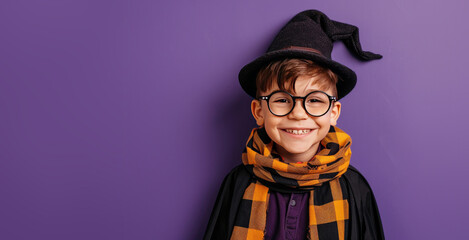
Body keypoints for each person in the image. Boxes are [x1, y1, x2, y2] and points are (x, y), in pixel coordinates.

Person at [204, 9, 385, 240]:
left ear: (333, 112)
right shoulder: (237, 184)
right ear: (259, 112)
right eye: (281, 100)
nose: (298, 114)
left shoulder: (355, 188)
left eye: (315, 100)